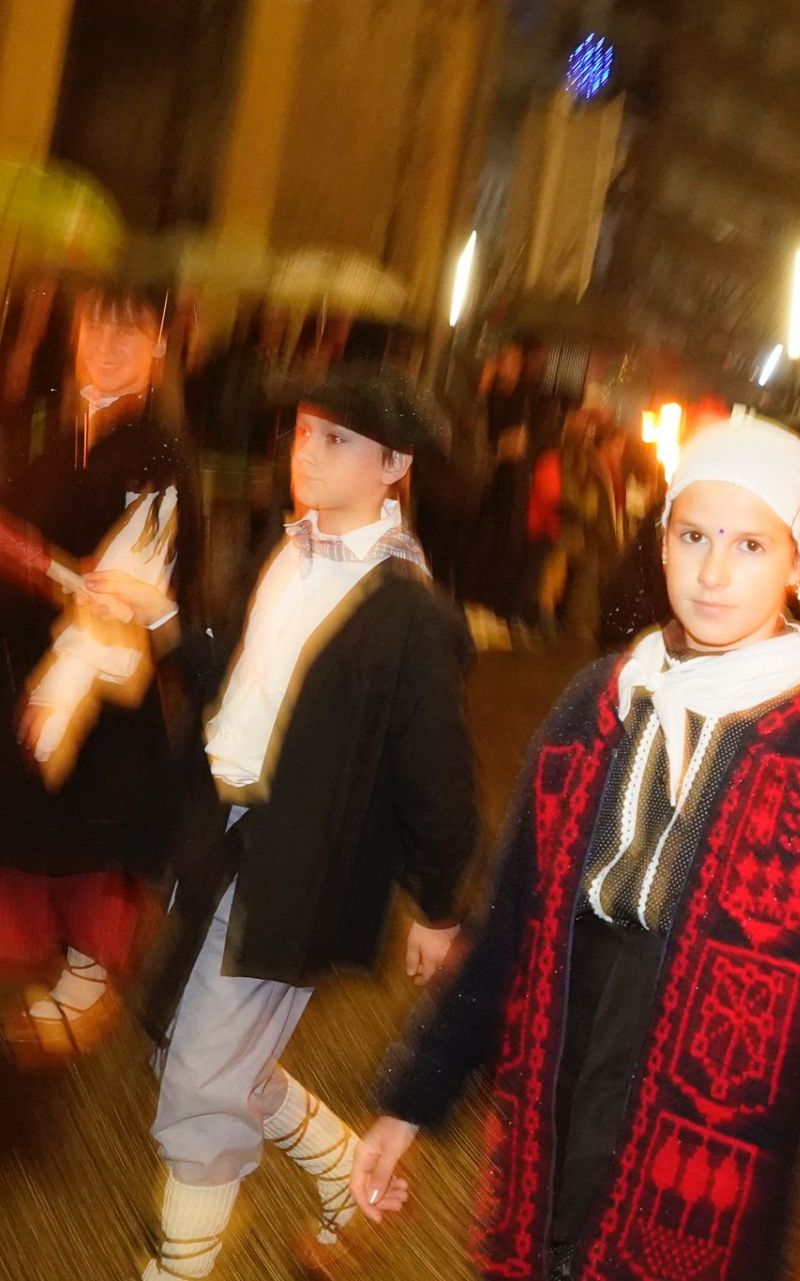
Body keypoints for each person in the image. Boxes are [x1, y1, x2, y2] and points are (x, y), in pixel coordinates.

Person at [349, 414, 800, 1281]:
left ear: (799, 559)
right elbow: (510, 924)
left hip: (709, 1150)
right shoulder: (592, 703)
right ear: (660, 539)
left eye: (749, 544)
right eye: (693, 535)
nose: (712, 572)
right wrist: (411, 1101)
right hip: (554, 1099)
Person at [89, 362, 477, 1280]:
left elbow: (438, 771)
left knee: (199, 1084)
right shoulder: (290, 547)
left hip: (297, 869)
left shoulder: (408, 610)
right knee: (193, 1049)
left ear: (394, 465)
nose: (309, 452)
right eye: (305, 432)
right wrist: (170, 620)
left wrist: (439, 903)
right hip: (218, 840)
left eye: (337, 439)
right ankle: (347, 1170)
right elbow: (248, 684)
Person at [0, 282, 201, 1065]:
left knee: (90, 839)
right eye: (95, 327)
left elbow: (131, 587)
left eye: (128, 334)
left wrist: (35, 565)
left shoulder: (158, 452)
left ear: (158, 350)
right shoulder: (64, 425)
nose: (106, 346)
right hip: (28, 663)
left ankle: (88, 980)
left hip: (96, 687)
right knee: (36, 827)